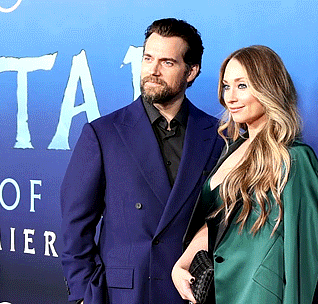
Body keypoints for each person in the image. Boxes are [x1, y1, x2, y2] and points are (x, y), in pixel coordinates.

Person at [60, 18, 224, 304]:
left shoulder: (220, 137)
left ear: (191, 71)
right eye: (148, 58)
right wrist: (85, 294)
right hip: (124, 295)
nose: (153, 71)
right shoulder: (103, 134)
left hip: (192, 292)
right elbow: (76, 228)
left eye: (167, 62)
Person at [172, 45, 318, 304]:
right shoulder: (231, 149)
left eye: (242, 86)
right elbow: (217, 221)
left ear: (269, 88)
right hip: (216, 292)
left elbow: (303, 256)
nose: (230, 97)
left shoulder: (294, 158)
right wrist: (182, 264)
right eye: (226, 86)